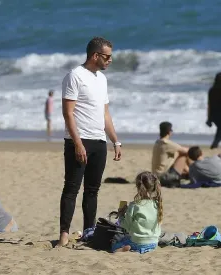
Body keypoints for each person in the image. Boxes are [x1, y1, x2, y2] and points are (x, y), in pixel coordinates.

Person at [59, 37, 122, 246]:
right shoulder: (75, 76)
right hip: (79, 140)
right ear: (96, 55)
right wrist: (77, 143)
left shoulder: (101, 79)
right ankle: (64, 235)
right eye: (107, 56)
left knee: (92, 191)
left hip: (98, 141)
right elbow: (68, 114)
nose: (110, 60)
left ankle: (89, 232)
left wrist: (115, 141)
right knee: (71, 189)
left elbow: (105, 114)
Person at [113, 171, 163, 253]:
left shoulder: (134, 206)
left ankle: (122, 249)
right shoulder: (157, 204)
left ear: (138, 187)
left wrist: (121, 215)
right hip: (154, 243)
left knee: (114, 244)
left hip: (138, 243)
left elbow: (126, 227)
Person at [151, 122, 190, 187]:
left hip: (155, 176)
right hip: (163, 177)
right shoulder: (167, 143)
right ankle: (192, 174)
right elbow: (187, 151)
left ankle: (189, 173)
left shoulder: (157, 142)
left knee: (178, 153)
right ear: (169, 132)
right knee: (183, 155)